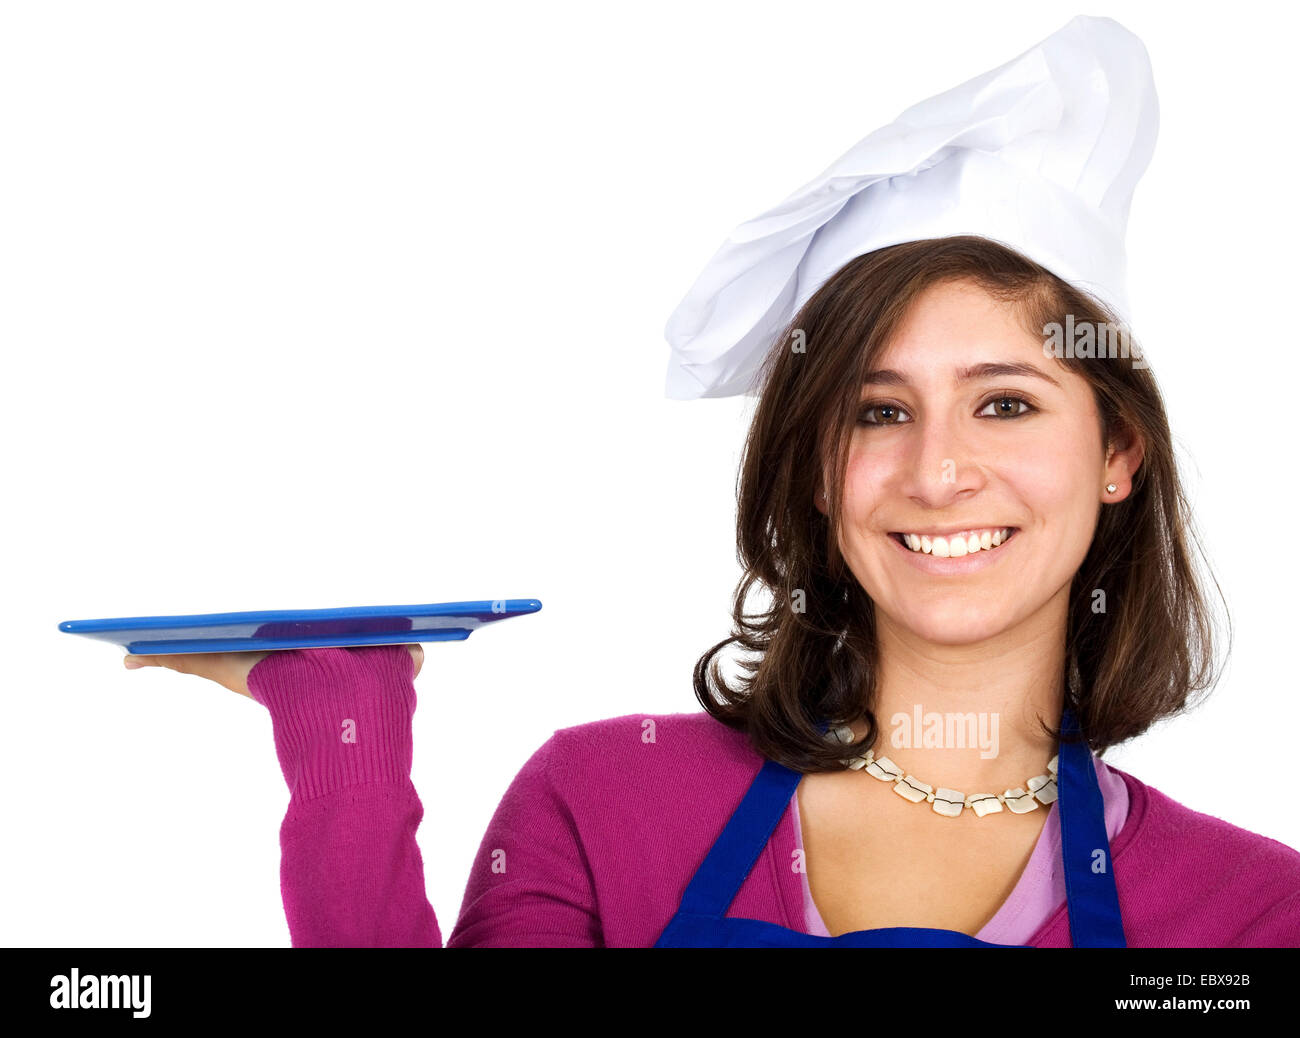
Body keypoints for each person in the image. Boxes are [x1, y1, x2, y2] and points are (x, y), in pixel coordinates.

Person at [120, 16, 1300, 946]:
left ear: (1116, 456)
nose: (938, 471)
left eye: (1004, 402)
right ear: (816, 468)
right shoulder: (603, 802)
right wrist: (344, 723)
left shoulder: (1251, 910)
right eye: (876, 411)